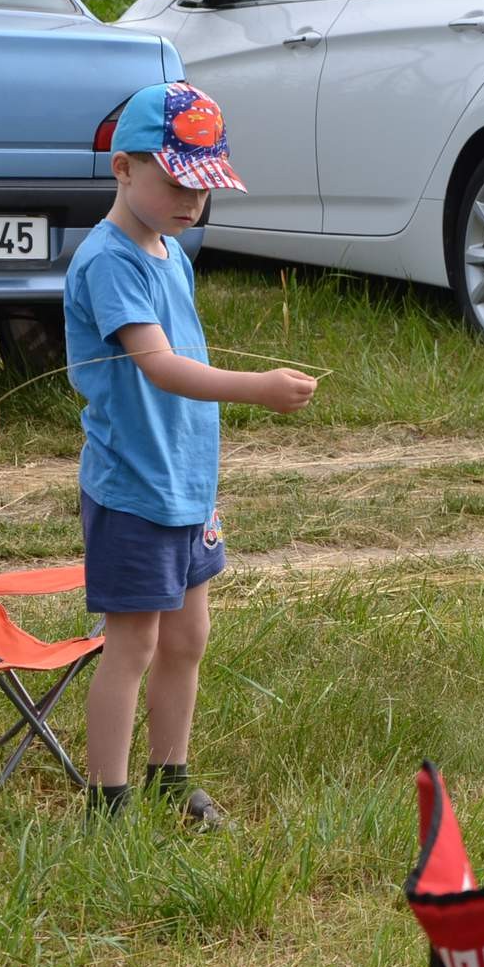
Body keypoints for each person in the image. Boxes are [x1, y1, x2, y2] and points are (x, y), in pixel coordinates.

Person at [64, 81, 316, 826]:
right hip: (134, 488)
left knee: (188, 636)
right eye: (177, 182)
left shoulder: (170, 252)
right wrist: (258, 388)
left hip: (186, 482)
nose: (192, 200)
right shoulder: (109, 262)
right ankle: (107, 799)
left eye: (204, 186)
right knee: (133, 643)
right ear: (123, 168)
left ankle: (169, 775)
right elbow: (162, 366)